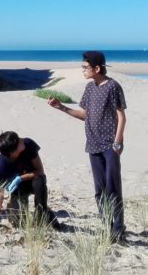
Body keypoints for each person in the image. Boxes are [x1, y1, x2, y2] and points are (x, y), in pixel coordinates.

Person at [47, 50, 126, 243]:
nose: (82, 70)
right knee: (99, 189)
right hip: (92, 144)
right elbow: (85, 115)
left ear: (97, 68)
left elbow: (121, 116)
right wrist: (62, 107)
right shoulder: (90, 88)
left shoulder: (113, 86)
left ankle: (118, 228)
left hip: (110, 144)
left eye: (85, 67)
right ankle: (106, 226)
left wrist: (118, 141)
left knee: (112, 187)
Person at [0, 131, 64, 232]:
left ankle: (43, 211)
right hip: (18, 188)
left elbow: (40, 171)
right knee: (18, 223)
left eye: (19, 139)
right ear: (12, 153)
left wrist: (21, 178)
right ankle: (13, 208)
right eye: (19, 143)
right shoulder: (2, 164)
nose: (22, 141)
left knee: (39, 182)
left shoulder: (28, 144)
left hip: (34, 180)